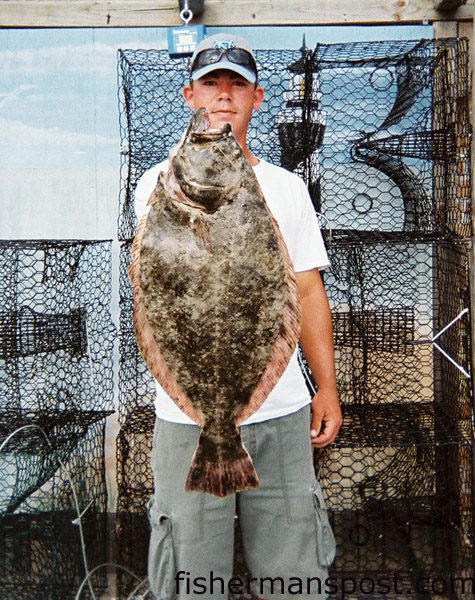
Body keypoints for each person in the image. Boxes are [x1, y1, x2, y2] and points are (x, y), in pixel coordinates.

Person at [134, 33, 342, 600]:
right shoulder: (157, 184)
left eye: (237, 85)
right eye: (211, 83)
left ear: (258, 97)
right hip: (187, 416)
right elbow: (159, 288)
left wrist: (326, 388)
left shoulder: (287, 188)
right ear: (189, 95)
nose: (223, 96)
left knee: (293, 575)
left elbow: (306, 290)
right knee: (191, 577)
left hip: (281, 411)